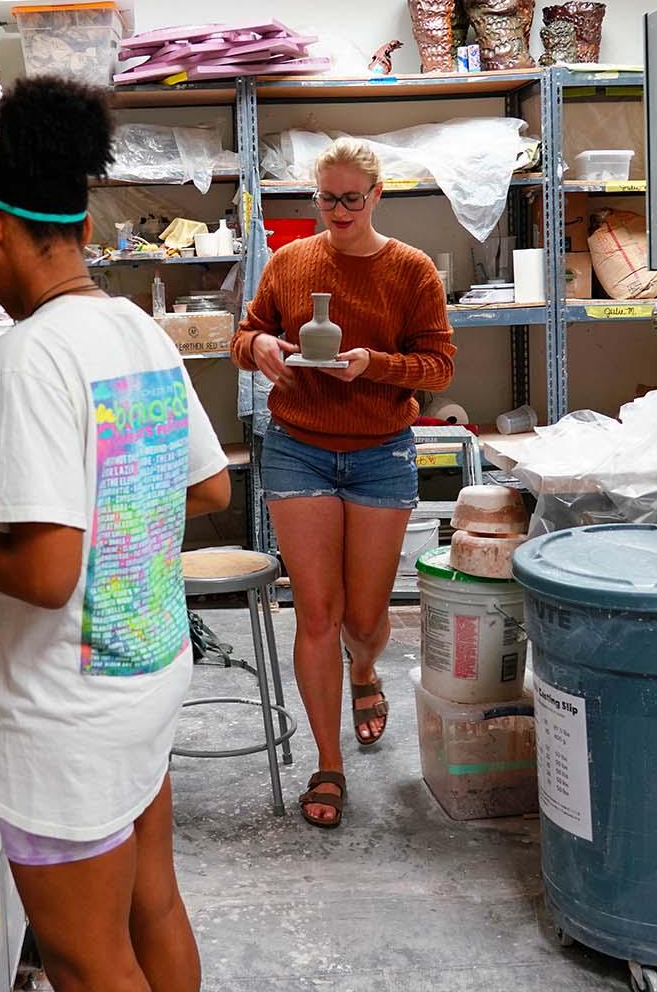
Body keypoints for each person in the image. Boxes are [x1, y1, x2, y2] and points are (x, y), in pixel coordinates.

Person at [0, 77, 232, 992]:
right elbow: (213, 485)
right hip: (145, 668)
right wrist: (118, 507)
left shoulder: (30, 354)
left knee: (86, 956)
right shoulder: (134, 328)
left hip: (68, 713)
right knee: (153, 913)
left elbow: (44, 572)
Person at [229, 137, 455, 829]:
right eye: (328, 198)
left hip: (382, 450)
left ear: (377, 195)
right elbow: (247, 333)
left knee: (363, 619)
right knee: (318, 613)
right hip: (299, 447)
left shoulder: (412, 270)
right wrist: (258, 347)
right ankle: (326, 762)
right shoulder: (291, 262)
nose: (340, 211)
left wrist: (373, 365)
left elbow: (439, 366)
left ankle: (365, 671)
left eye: (353, 198)